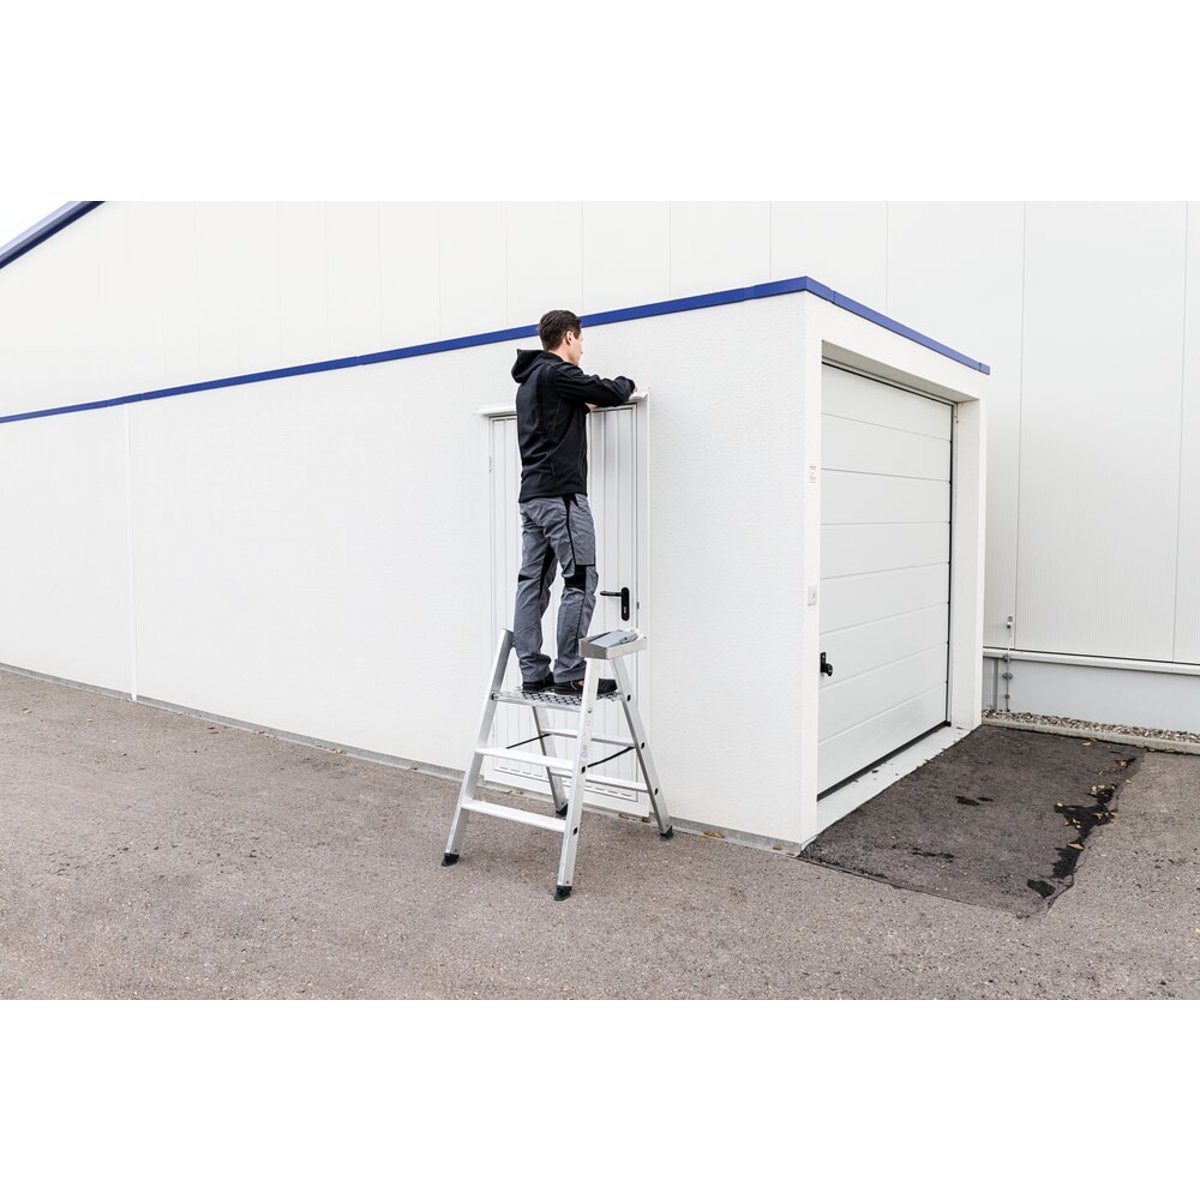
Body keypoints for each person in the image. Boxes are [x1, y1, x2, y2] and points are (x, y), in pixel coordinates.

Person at [510, 310, 638, 696]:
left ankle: (533, 671)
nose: (581, 349)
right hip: (562, 497)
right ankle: (570, 670)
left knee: (532, 583)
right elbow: (610, 390)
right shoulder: (557, 373)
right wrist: (627, 383)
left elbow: (559, 417)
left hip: (532, 498)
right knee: (581, 578)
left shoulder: (530, 383)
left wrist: (580, 405)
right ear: (568, 336)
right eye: (580, 340)